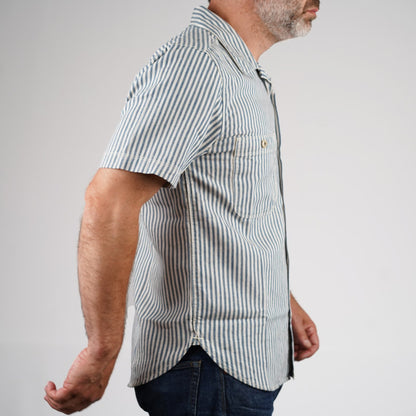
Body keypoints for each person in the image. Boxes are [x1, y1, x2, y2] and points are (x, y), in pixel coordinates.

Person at [44, 0, 320, 414]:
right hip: (209, 367)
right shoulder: (197, 67)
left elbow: (226, 210)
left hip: (233, 367)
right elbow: (110, 201)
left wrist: (282, 301)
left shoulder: (239, 73)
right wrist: (101, 350)